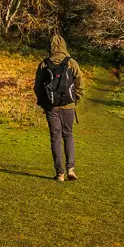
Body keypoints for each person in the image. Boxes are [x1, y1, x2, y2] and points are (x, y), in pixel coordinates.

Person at [34, 35, 84, 182]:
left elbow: (37, 87)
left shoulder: (44, 64)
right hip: (69, 106)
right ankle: (71, 168)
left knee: (55, 138)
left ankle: (60, 173)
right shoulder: (71, 63)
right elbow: (80, 84)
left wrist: (44, 103)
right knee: (68, 135)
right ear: (64, 46)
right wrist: (76, 100)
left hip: (51, 107)